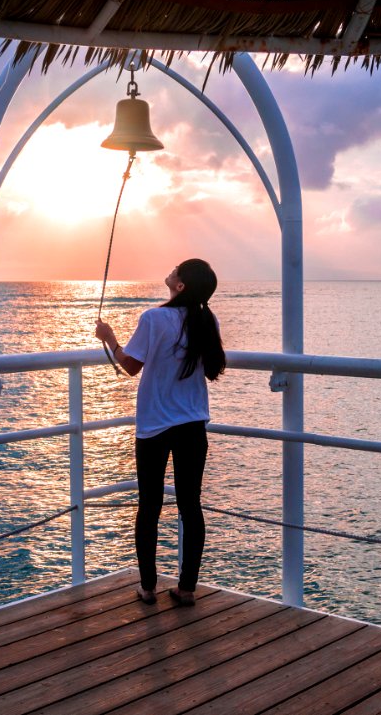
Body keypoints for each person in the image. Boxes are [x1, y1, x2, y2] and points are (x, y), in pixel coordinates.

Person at [94, 258, 226, 606]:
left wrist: (109, 338)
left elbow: (130, 366)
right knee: (190, 506)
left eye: (177, 270)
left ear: (180, 285)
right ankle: (186, 589)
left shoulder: (154, 318)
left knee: (149, 506)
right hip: (193, 424)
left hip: (154, 426)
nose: (171, 271)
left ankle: (148, 587)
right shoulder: (206, 319)